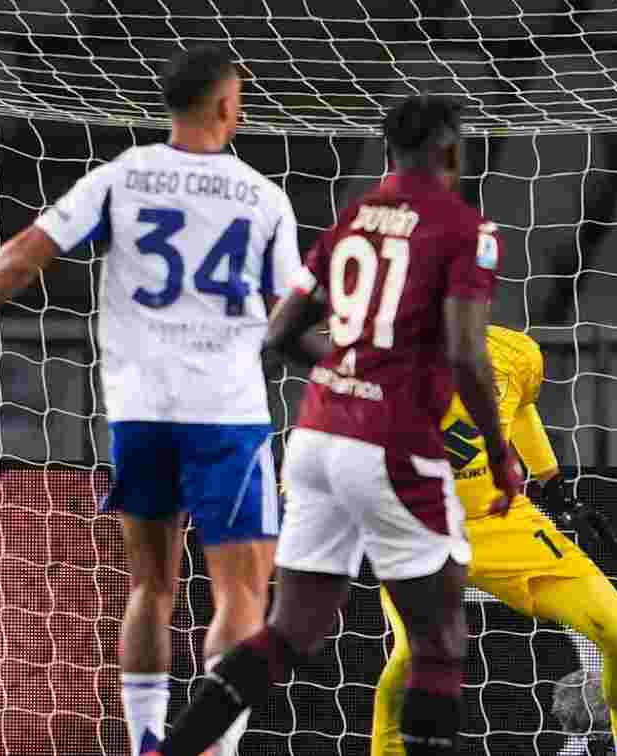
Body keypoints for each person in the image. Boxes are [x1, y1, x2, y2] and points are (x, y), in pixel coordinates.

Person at [0, 44, 299, 756]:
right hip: (228, 414)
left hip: (143, 413)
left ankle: (147, 742)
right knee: (240, 593)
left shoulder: (123, 176)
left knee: (151, 586)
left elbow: (27, 253)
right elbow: (290, 313)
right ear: (225, 106)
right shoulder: (263, 196)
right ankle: (218, 748)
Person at [154, 95, 522, 756]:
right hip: (391, 444)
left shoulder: (353, 220)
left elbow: (279, 333)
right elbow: (468, 354)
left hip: (318, 437)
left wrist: (355, 367)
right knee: (439, 643)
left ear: (388, 150)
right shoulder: (466, 227)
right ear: (448, 149)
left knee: (290, 632)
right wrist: (500, 456)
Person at [370, 324, 617, 756]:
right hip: (415, 530)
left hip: (500, 520)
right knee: (413, 657)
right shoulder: (369, 354)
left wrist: (555, 486)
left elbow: (518, 409)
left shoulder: (514, 353)